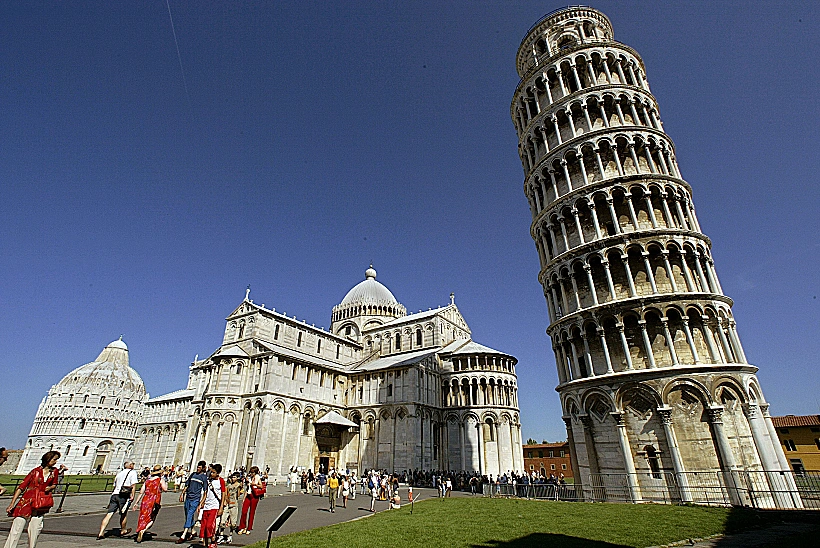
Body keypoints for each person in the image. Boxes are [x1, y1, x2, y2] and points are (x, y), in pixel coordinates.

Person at [4, 451, 63, 548]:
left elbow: (55, 484)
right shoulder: (35, 471)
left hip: (41, 502)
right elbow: (21, 487)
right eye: (54, 459)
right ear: (48, 459)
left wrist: (51, 488)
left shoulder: (54, 471)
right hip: (27, 501)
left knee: (35, 528)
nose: (56, 462)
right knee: (17, 527)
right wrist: (12, 504)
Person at [97, 460, 138, 539]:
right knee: (123, 514)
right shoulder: (132, 472)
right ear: (130, 466)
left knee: (109, 514)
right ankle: (123, 530)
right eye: (132, 464)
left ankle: (101, 532)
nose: (133, 465)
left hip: (115, 495)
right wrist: (132, 495)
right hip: (123, 496)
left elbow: (115, 485)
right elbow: (133, 485)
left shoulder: (119, 473)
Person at [132, 465, 167, 543]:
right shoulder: (160, 480)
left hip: (145, 500)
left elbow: (141, 492)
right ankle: (143, 530)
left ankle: (140, 529)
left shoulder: (147, 481)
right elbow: (165, 489)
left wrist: (136, 503)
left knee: (143, 516)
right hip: (154, 501)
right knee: (152, 518)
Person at [176, 461, 207, 544]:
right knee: (188, 515)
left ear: (203, 468)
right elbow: (187, 485)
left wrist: (201, 502)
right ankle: (193, 531)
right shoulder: (193, 475)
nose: (198, 469)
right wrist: (182, 494)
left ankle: (183, 535)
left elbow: (205, 491)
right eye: (197, 467)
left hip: (195, 499)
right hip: (188, 497)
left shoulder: (204, 477)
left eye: (200, 467)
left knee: (190, 515)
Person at [196, 464, 225, 548]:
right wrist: (201, 503)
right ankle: (205, 543)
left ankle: (213, 541)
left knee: (210, 525)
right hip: (206, 506)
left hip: (215, 506)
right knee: (204, 525)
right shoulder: (208, 481)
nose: (211, 474)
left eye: (213, 472)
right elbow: (206, 493)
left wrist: (221, 507)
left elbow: (223, 494)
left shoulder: (221, 481)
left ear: (218, 473)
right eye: (211, 472)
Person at [218, 472, 242, 545]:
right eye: (232, 477)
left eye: (234, 477)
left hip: (234, 504)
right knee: (223, 520)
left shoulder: (238, 485)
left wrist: (239, 488)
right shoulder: (228, 485)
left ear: (237, 478)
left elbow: (238, 495)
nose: (233, 479)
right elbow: (225, 493)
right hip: (227, 504)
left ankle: (230, 535)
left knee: (233, 522)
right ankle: (221, 535)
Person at [237, 466, 263, 535]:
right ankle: (242, 527)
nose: (251, 473)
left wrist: (253, 484)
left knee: (252, 512)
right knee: (244, 511)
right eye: (250, 472)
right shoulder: (249, 478)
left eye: (252, 472)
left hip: (254, 496)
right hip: (248, 495)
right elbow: (247, 488)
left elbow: (261, 486)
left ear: (255, 472)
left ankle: (249, 528)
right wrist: (244, 498)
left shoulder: (257, 478)